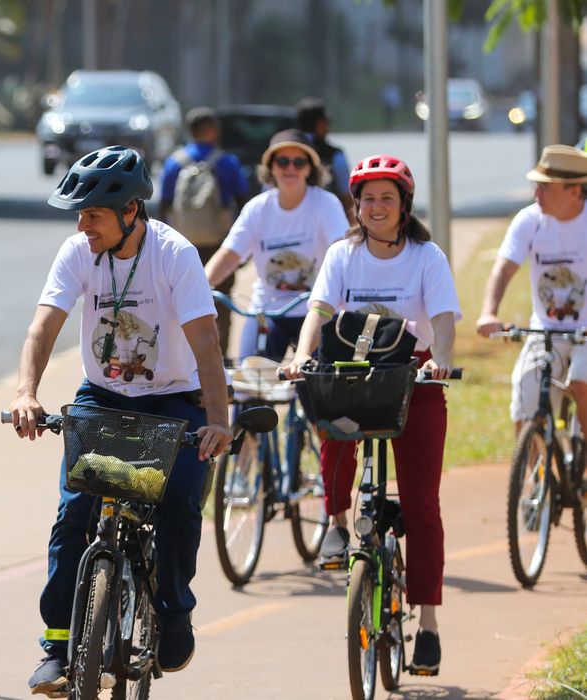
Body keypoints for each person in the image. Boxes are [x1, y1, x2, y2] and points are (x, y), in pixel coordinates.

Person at [9, 145, 232, 695]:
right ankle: (58, 647)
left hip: (174, 399)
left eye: (92, 214)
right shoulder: (78, 251)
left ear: (131, 211)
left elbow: (205, 342)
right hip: (104, 395)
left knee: (179, 499)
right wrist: (26, 391)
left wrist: (218, 419)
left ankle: (175, 613)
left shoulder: (175, 255)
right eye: (79, 214)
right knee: (73, 515)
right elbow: (44, 327)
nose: (82, 224)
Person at [281, 154, 460, 675]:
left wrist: (442, 358)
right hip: (356, 371)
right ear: (355, 206)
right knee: (330, 421)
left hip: (414, 375)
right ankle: (336, 522)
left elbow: (444, 316)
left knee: (423, 503)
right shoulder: (342, 254)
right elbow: (319, 311)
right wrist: (300, 356)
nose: (376, 207)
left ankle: (427, 622)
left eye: (387, 197)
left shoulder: (428, 257)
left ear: (404, 206)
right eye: (367, 198)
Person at [204, 129, 349, 363]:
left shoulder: (325, 203)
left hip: (317, 308)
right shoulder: (257, 208)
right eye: (282, 161)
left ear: (310, 168)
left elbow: (342, 251)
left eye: (299, 162)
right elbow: (230, 254)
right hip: (267, 310)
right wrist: (200, 286)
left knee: (320, 386)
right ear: (270, 167)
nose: (290, 168)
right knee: (251, 381)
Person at [476, 144, 587, 436]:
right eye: (537, 186)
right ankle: (541, 474)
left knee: (581, 383)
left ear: (575, 190)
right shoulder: (529, 220)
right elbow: (503, 269)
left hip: (586, 332)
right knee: (525, 402)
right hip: (546, 329)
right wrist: (489, 313)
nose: (537, 195)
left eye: (546, 188)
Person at [159, 107, 250, 356]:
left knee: (182, 303)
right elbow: (243, 202)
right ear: (212, 130)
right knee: (221, 301)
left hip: (182, 246)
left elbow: (164, 205)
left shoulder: (174, 163)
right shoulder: (227, 162)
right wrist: (243, 248)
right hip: (218, 245)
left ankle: (188, 360)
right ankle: (221, 360)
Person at [296, 97, 355, 222]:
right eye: (327, 121)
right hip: (328, 222)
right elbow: (346, 195)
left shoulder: (286, 155)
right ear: (320, 123)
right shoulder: (335, 155)